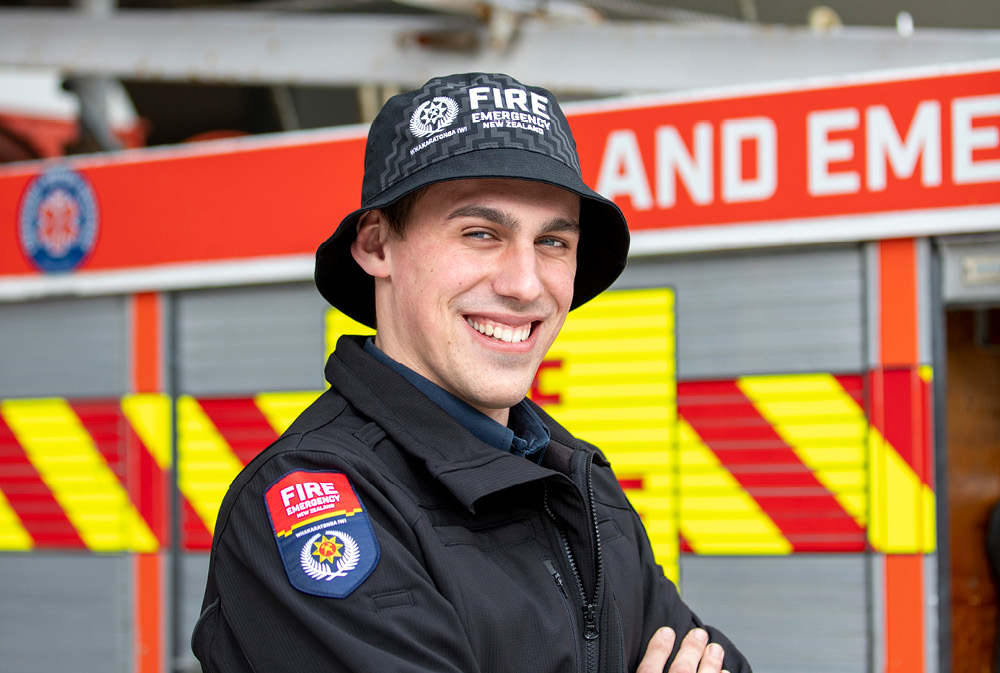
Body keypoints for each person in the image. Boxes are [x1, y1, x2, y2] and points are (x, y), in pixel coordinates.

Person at [192, 72, 752, 673]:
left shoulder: (582, 484)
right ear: (378, 246)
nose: (525, 284)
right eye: (481, 233)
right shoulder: (316, 502)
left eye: (554, 242)